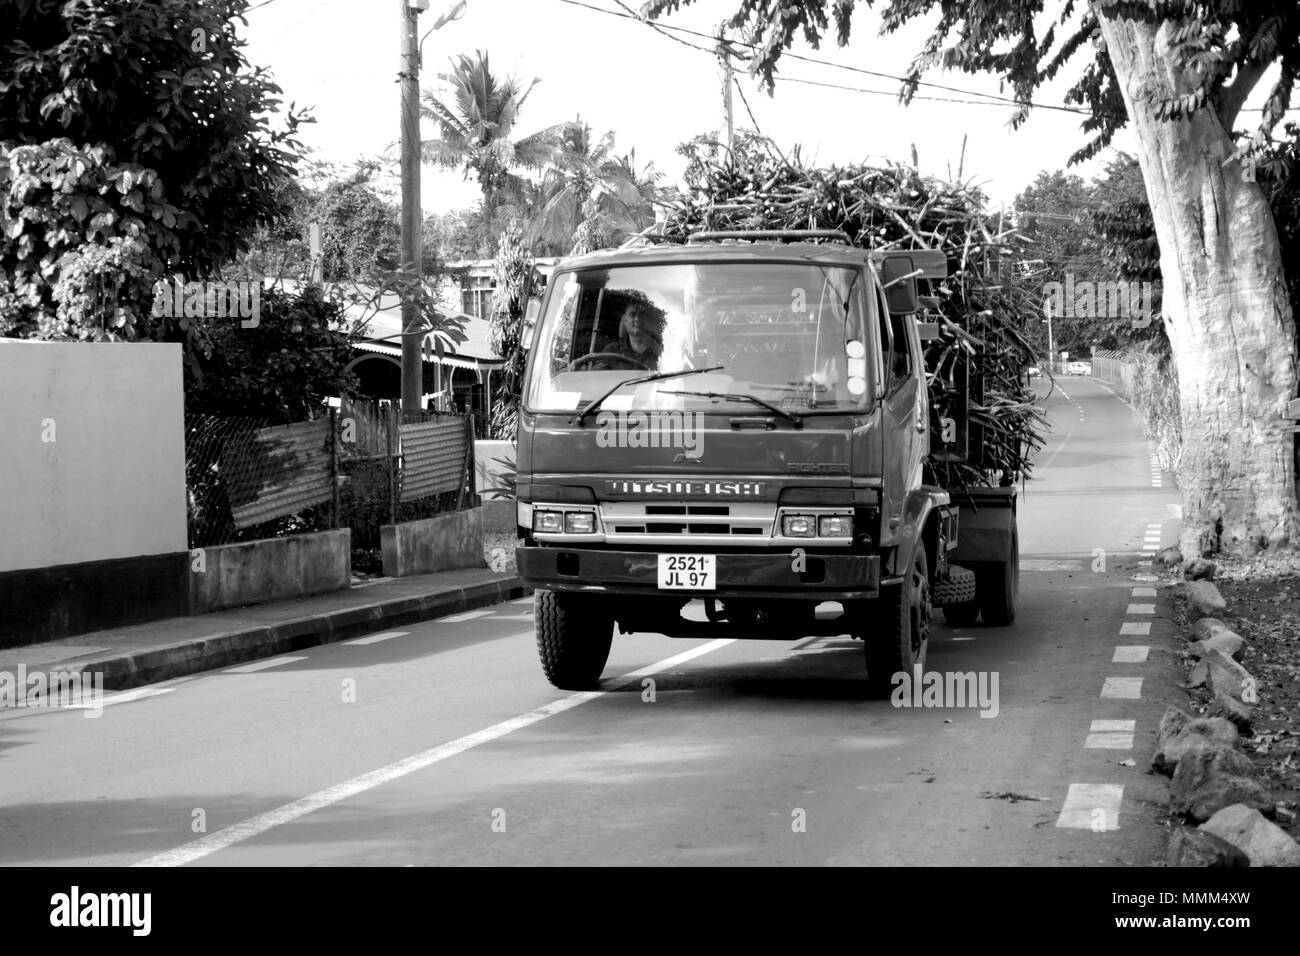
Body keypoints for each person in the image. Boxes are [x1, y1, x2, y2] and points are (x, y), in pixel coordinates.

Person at [586, 301, 664, 370]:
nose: (637, 319)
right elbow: (597, 379)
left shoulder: (662, 353)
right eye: (632, 314)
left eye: (642, 315)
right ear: (625, 321)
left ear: (649, 322)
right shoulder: (612, 350)